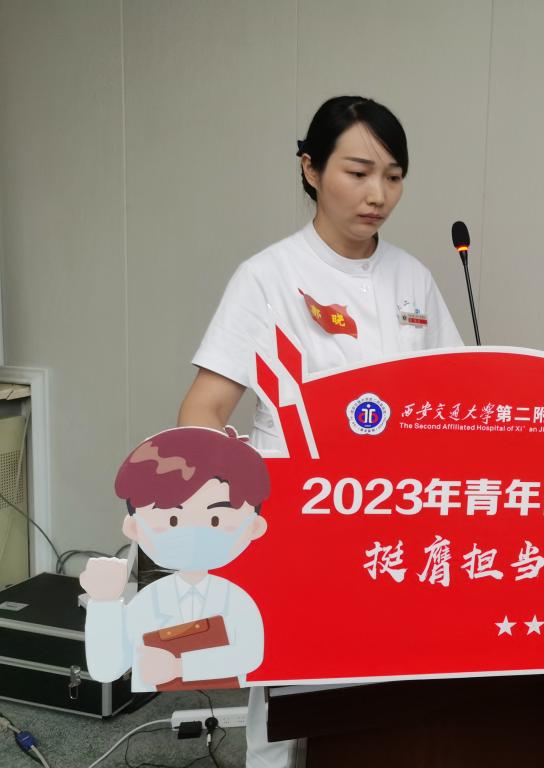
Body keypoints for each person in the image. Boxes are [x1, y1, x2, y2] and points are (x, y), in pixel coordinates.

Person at [178, 96, 463, 768]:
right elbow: (203, 411)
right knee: (288, 701)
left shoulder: (414, 278)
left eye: (393, 176)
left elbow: (453, 401)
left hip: (397, 518)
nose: (378, 195)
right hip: (299, 519)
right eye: (358, 173)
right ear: (310, 169)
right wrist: (234, 513)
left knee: (389, 699)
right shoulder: (268, 278)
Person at [80, 426, 270, 691]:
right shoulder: (148, 601)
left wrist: (180, 667)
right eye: (172, 519)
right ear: (134, 528)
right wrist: (104, 603)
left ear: (255, 527)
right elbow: (108, 668)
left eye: (215, 519)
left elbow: (249, 656)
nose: (194, 534)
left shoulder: (237, 600)